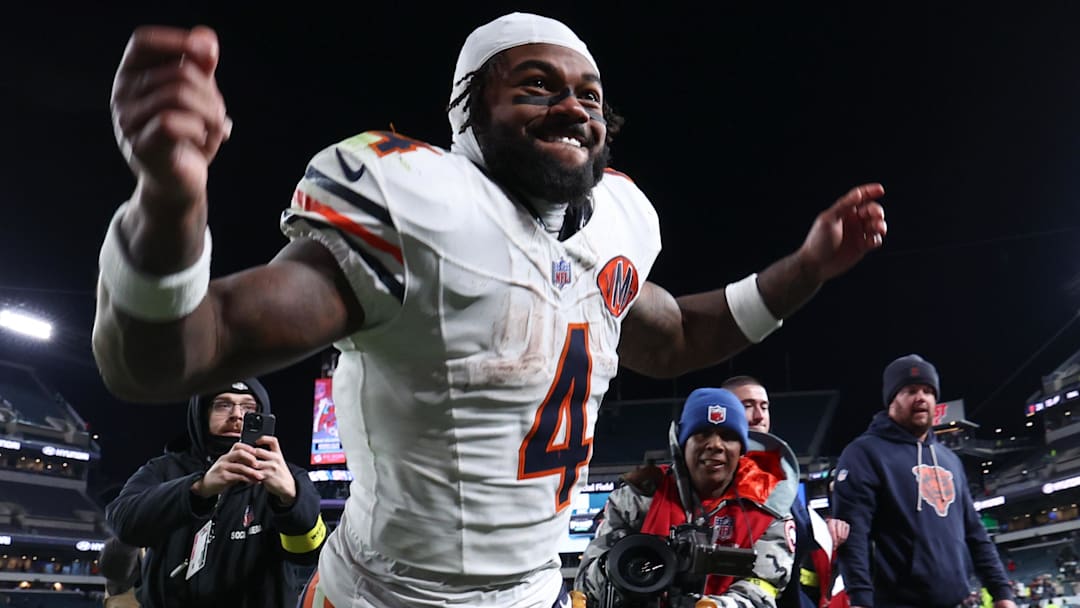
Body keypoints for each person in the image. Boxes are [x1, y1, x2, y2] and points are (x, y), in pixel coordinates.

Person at [92, 12, 887, 608]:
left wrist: (807, 267)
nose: (574, 108)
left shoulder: (610, 226)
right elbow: (175, 353)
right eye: (535, 86)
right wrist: (168, 202)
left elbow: (677, 336)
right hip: (386, 596)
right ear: (467, 112)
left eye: (589, 95)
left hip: (537, 591)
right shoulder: (418, 208)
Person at [105, 378, 326, 607]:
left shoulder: (288, 478)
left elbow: (308, 554)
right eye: (223, 405)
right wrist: (199, 489)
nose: (237, 415)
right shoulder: (164, 469)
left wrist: (290, 502)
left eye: (248, 408)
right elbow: (123, 523)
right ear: (201, 414)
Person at [575, 387, 798, 607]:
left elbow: (764, 588)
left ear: (742, 449)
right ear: (682, 443)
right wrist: (618, 568)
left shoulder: (768, 511)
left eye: (728, 436)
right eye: (702, 433)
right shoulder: (636, 499)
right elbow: (585, 585)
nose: (715, 445)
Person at [831, 355, 1016, 608]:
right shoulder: (864, 453)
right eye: (910, 390)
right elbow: (854, 535)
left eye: (928, 391)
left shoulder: (949, 460)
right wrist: (860, 599)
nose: (921, 397)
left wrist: (1001, 592)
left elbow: (974, 533)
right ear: (892, 399)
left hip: (956, 602)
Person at [723, 375, 831, 608]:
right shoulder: (714, 476)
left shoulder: (781, 473)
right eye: (747, 406)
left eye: (764, 406)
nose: (759, 416)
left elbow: (802, 539)